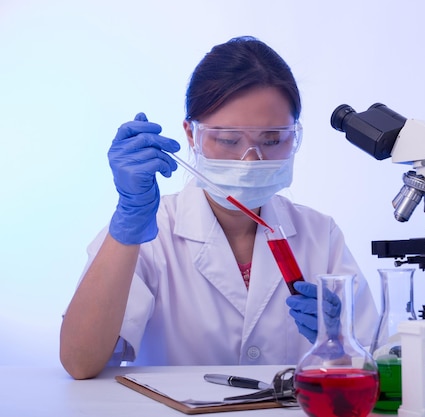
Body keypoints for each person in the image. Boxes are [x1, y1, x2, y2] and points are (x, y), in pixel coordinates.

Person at [60, 36, 378, 380]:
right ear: (191, 135)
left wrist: (339, 341)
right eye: (228, 140)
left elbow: (376, 367)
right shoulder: (152, 234)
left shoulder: (321, 235)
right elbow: (80, 362)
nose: (251, 159)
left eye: (272, 140)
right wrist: (127, 224)